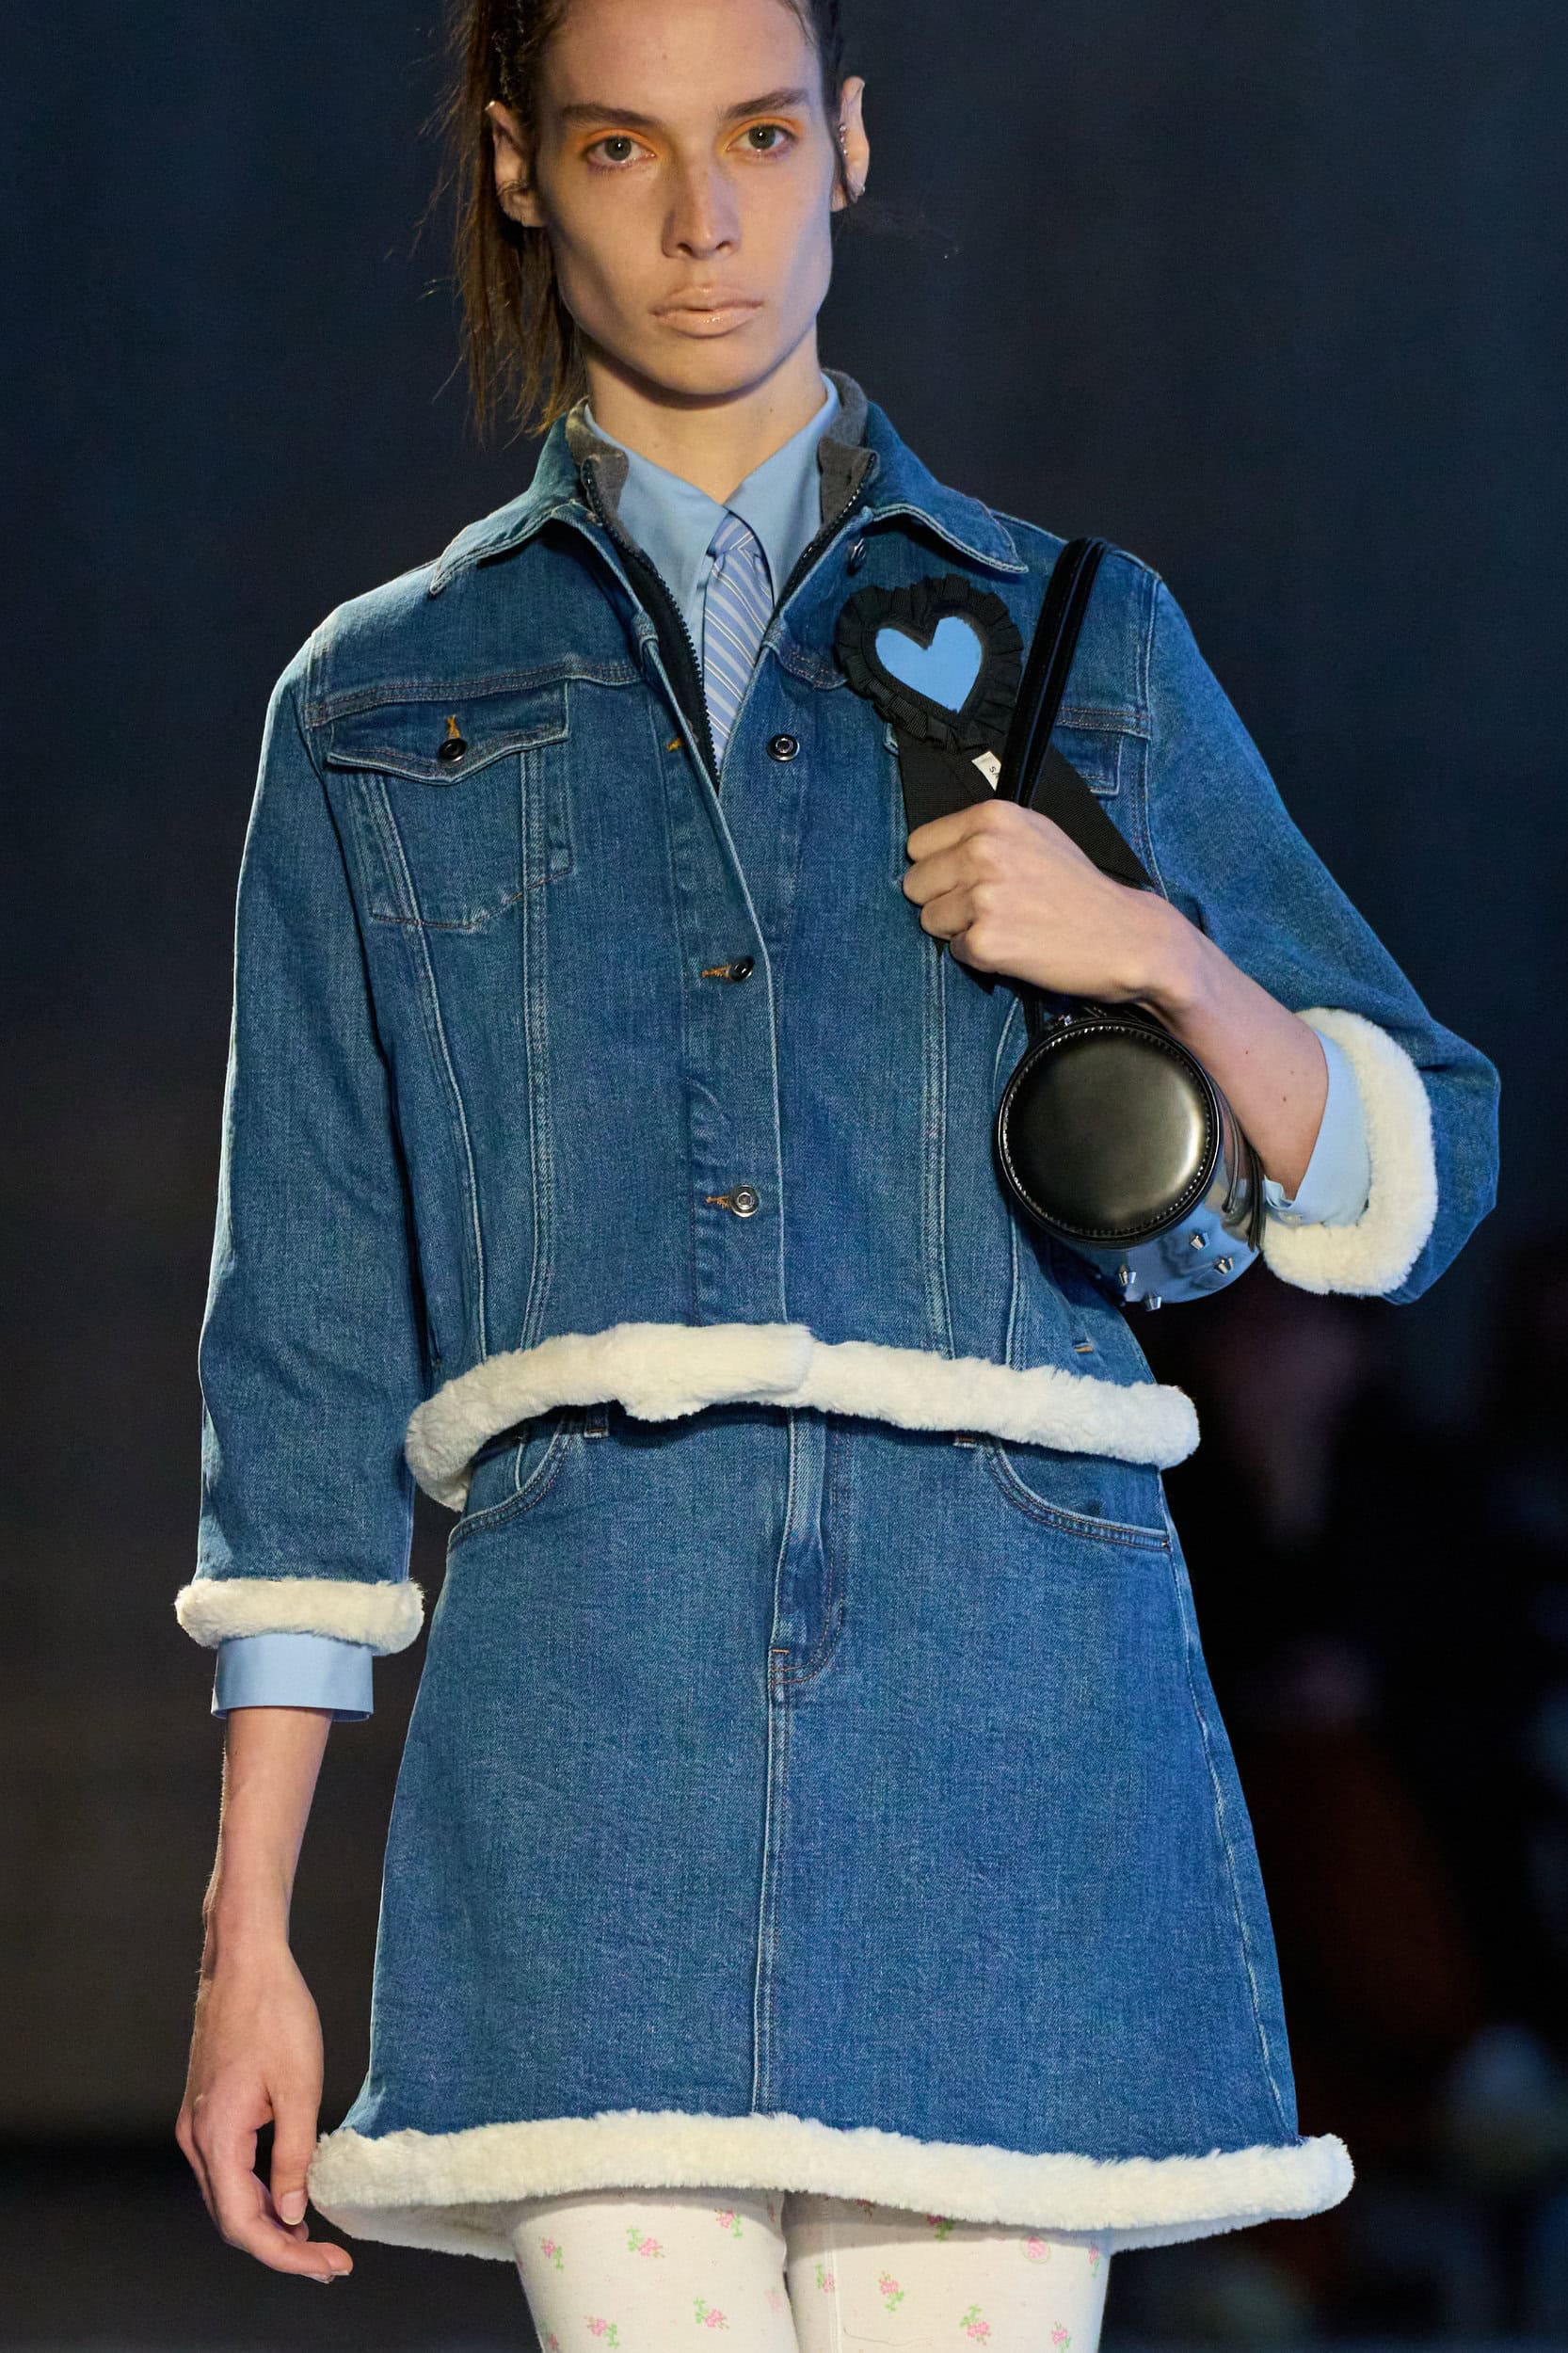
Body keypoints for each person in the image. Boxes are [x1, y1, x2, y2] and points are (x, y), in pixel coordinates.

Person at [171, 0, 1501, 2344]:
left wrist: (1154, 949)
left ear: (847, 144)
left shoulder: (1077, 640)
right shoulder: (377, 701)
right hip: (590, 1726)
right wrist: (242, 1931)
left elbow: (1416, 1157)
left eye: (761, 135)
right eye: (622, 146)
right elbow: (302, 1333)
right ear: (519, 165)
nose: (705, 219)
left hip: (1007, 1713)